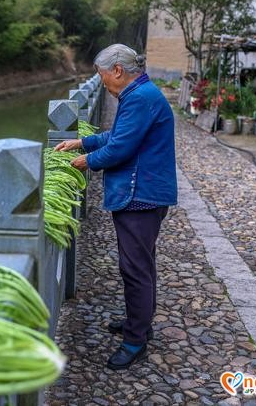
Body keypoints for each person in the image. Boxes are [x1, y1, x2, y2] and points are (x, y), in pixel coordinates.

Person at [55, 43, 177, 370]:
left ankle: (135, 339)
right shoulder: (139, 93)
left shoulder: (137, 98)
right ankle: (140, 322)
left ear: (118, 70)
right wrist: (83, 141)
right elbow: (118, 135)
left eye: (102, 75)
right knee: (142, 263)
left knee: (135, 268)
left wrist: (85, 161)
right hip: (148, 193)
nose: (103, 82)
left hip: (141, 195)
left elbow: (120, 148)